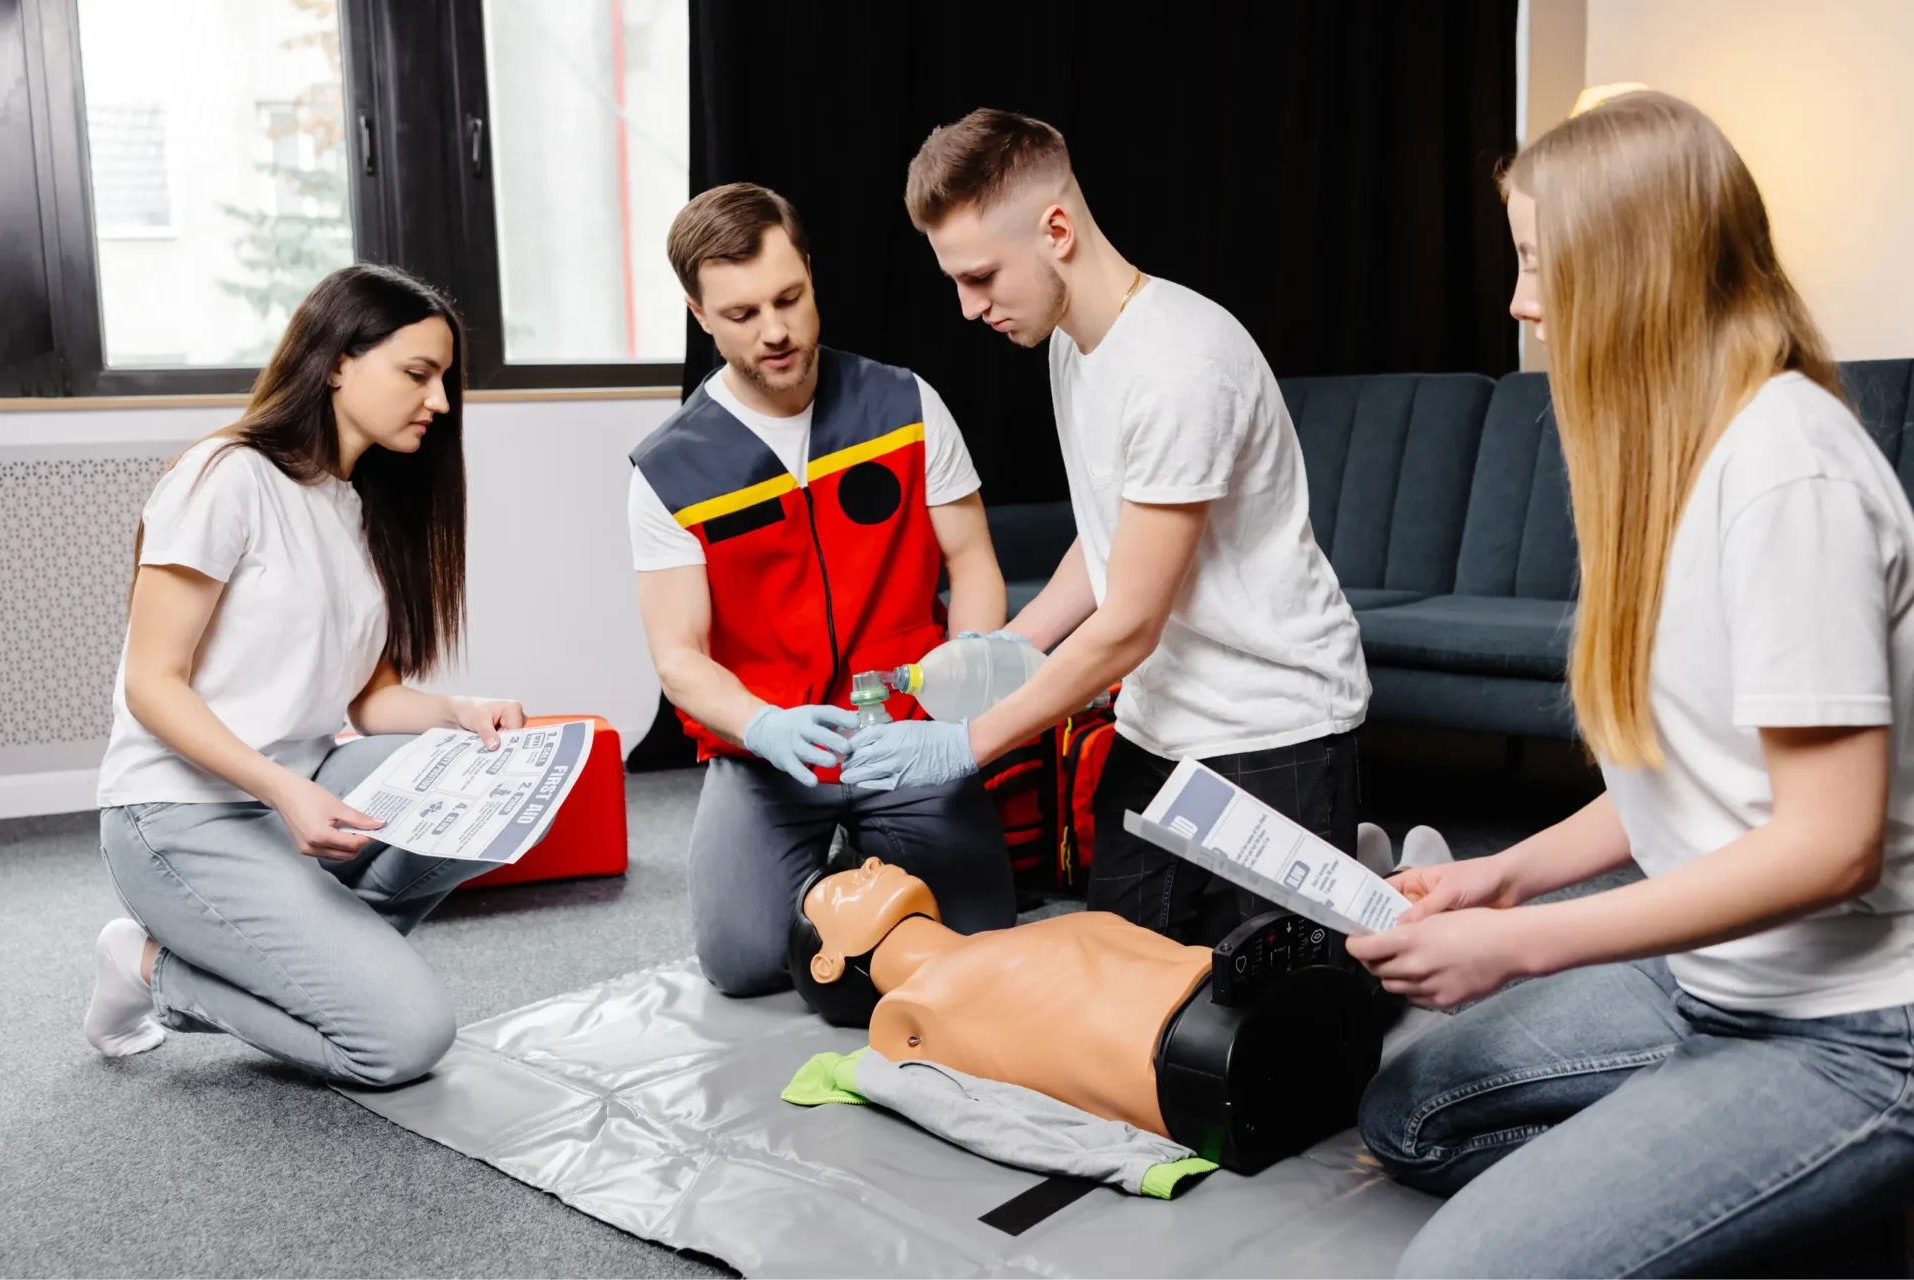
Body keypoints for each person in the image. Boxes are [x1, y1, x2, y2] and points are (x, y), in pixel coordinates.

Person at [1346, 92, 1914, 1280]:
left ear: (1635, 269)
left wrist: (1524, 945)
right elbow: (1688, 774)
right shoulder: (1677, 454)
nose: (1521, 302)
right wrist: (1502, 874)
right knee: (1406, 1110)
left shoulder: (1786, 473)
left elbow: (1829, 845)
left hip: (1855, 1027)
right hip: (1706, 971)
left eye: (1541, 264)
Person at [844, 109, 1369, 947]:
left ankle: (1363, 875)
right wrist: (1004, 653)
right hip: (1159, 722)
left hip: (1276, 727)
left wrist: (966, 746)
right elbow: (1107, 540)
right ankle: (1352, 879)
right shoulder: (1070, 344)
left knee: (1278, 1032)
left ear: (1056, 229)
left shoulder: (1177, 364)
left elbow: (1128, 622)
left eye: (981, 276)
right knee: (1124, 997)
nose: (968, 308)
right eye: (954, 280)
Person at [84, 264, 528, 1088]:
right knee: (403, 1042)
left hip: (303, 780)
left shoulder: (359, 507)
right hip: (182, 813)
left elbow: (370, 698)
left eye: (444, 381)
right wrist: (283, 791)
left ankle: (319, 949)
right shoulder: (225, 477)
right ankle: (150, 967)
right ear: (335, 363)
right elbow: (153, 682)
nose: (439, 402)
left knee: (484, 773)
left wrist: (461, 712)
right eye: (417, 374)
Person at [630, 183, 1017, 997]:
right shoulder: (668, 469)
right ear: (700, 315)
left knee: (978, 939)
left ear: (809, 274)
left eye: (789, 298)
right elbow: (677, 656)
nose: (774, 332)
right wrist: (764, 727)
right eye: (740, 315)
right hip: (772, 746)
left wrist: (964, 687)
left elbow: (974, 565)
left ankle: (867, 862)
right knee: (742, 961)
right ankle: (843, 877)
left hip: (907, 730)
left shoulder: (908, 405)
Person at [788, 856, 1380, 1172]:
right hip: (1219, 1064)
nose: (868, 862)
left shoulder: (991, 947)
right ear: (827, 963)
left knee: (1101, 939)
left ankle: (1380, 917)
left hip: (1256, 1006)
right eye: (843, 884)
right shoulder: (907, 1016)